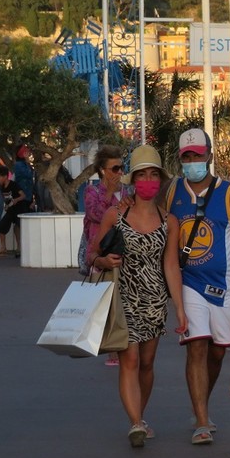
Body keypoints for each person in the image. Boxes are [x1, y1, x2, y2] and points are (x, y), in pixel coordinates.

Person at [165, 128, 230, 445]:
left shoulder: (228, 193)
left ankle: (200, 404)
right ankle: (203, 422)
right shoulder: (172, 192)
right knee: (196, 346)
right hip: (188, 282)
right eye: (187, 157)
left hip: (221, 287)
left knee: (219, 352)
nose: (193, 161)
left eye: (197, 155)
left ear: (209, 155)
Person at [89, 145, 187, 448]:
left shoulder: (169, 221)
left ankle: (140, 417)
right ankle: (134, 423)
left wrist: (180, 311)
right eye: (141, 174)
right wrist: (103, 261)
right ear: (133, 179)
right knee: (129, 358)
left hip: (155, 299)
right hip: (123, 297)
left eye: (153, 175)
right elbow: (92, 253)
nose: (147, 180)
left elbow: (170, 265)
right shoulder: (115, 215)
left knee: (147, 363)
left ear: (160, 179)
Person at [82, 145, 129, 366]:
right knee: (105, 304)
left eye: (122, 168)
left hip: (123, 255)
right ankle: (111, 349)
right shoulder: (92, 191)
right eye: (115, 168)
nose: (119, 173)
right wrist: (110, 193)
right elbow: (97, 214)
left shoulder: (128, 192)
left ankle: (121, 348)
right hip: (99, 254)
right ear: (102, 170)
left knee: (122, 302)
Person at [0, 166, 27, 256]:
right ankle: (3, 247)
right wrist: (6, 206)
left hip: (19, 209)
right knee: (1, 226)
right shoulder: (2, 187)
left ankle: (19, 247)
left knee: (17, 227)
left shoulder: (13, 185)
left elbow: (23, 195)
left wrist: (16, 200)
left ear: (5, 176)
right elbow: (5, 199)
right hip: (10, 210)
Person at [13, 145, 35, 213]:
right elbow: (29, 174)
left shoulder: (24, 164)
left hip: (28, 194)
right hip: (23, 194)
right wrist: (28, 161)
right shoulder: (19, 164)